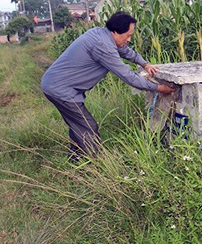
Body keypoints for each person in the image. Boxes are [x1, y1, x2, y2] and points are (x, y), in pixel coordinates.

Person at [41, 11, 174, 161]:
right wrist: (158, 88)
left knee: (78, 125)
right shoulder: (102, 45)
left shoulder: (102, 34)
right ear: (116, 32)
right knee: (88, 127)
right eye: (128, 35)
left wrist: (144, 64)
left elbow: (125, 51)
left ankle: (75, 159)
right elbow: (128, 76)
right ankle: (93, 164)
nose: (129, 39)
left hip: (56, 84)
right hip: (60, 89)